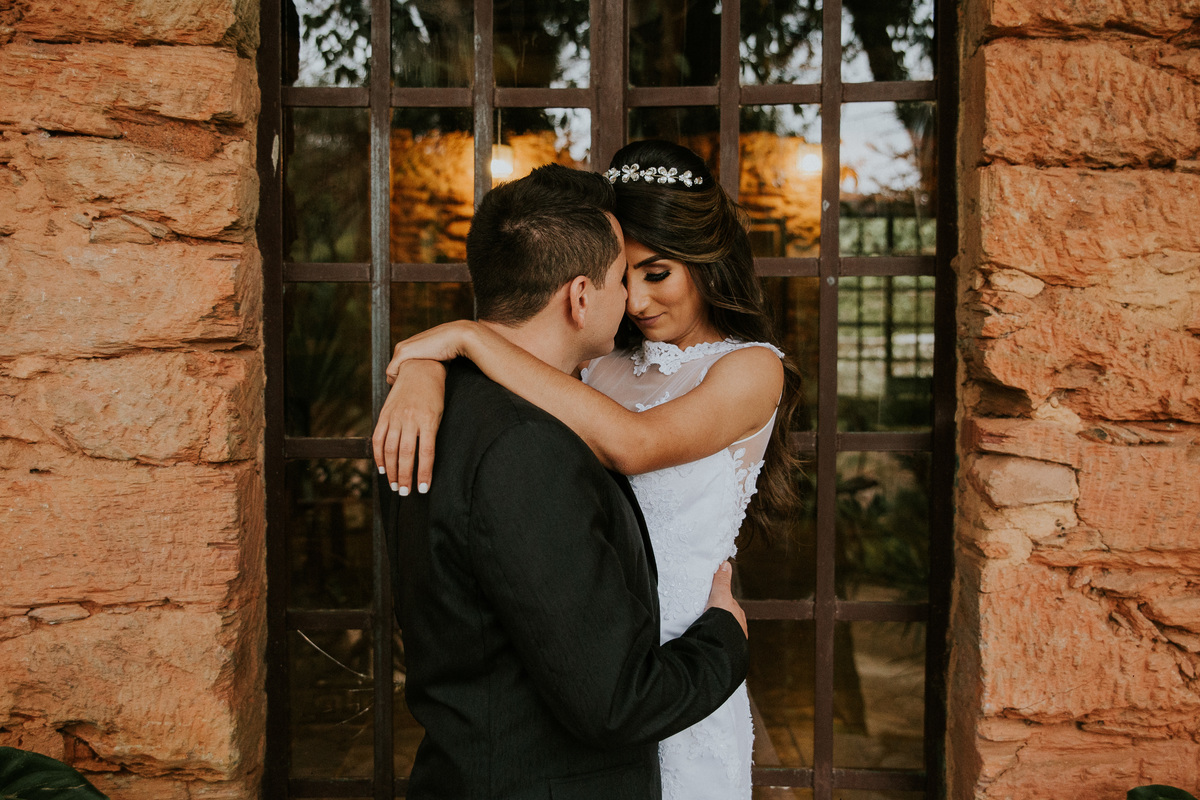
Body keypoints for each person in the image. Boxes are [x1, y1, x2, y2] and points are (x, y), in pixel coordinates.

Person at [375, 141, 803, 800]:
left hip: (683, 653)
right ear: (586, 290)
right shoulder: (596, 366)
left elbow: (631, 444)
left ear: (707, 264)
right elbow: (520, 383)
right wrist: (427, 370)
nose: (634, 300)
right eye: (623, 276)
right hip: (587, 657)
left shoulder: (749, 368)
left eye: (656, 273)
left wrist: (467, 337)